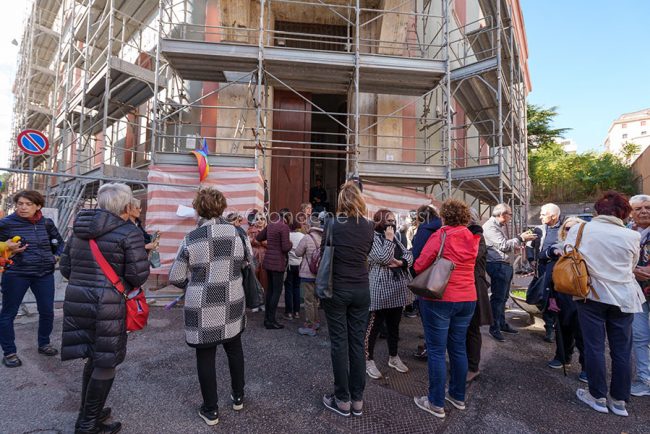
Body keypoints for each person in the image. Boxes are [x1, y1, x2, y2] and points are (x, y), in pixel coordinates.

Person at [60, 183, 150, 433]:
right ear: (124, 205)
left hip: (78, 299)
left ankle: (90, 411)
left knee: (93, 355)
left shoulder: (78, 229)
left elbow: (66, 268)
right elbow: (138, 275)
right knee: (106, 360)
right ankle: (88, 423)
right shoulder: (128, 232)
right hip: (108, 303)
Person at [169, 187, 248, 426]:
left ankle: (211, 409)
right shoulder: (238, 233)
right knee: (234, 348)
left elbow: (176, 276)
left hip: (202, 303)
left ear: (198, 209)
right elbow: (247, 261)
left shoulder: (192, 238)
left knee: (205, 355)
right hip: (232, 298)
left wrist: (193, 284)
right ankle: (238, 396)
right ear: (222, 207)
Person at [567, 191, 645, 416]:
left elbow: (567, 253)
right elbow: (632, 265)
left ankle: (597, 396)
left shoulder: (581, 229)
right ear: (624, 212)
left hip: (592, 294)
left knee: (594, 346)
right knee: (622, 349)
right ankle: (619, 400)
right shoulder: (632, 235)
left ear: (597, 210)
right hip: (624, 297)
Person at [412, 199, 479, 419]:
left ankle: (435, 402)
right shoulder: (473, 237)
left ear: (444, 216)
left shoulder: (441, 235)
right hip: (468, 297)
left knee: (437, 351)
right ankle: (458, 396)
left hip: (441, 297)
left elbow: (419, 265)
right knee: (458, 347)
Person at [321, 181, 374, 417]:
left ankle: (342, 399)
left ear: (341, 201)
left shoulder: (332, 223)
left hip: (337, 288)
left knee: (339, 344)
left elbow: (324, 251)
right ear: (360, 201)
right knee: (357, 344)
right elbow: (368, 252)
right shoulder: (369, 225)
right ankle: (358, 400)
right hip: (361, 289)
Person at [0, 190, 64, 368]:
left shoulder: (46, 223)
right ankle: (9, 352)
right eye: (20, 203)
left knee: (47, 312)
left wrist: (55, 257)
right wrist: (7, 247)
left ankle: (44, 343)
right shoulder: (5, 223)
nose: (23, 207)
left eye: (28, 204)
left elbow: (60, 243)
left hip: (44, 274)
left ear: (38, 206)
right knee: (8, 314)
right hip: (16, 274)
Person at [364, 209, 413, 380]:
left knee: (394, 327)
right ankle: (368, 359)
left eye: (393, 221)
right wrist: (390, 240)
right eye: (388, 220)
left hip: (398, 290)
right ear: (379, 221)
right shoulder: (373, 238)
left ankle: (393, 357)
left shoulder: (396, 238)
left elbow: (409, 254)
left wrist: (401, 262)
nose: (391, 224)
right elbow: (383, 257)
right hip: (379, 290)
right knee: (373, 327)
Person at [483, 203, 537, 342]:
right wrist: (520, 238)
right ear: (502, 214)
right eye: (510, 214)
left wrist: (516, 244)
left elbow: (504, 246)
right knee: (498, 298)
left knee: (503, 297)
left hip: (503, 265)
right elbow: (503, 245)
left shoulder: (496, 226)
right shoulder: (490, 227)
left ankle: (501, 324)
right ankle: (494, 327)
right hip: (498, 266)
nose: (511, 217)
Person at [545, 217, 587, 382]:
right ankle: (562, 357)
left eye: (574, 228)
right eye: (567, 228)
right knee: (562, 328)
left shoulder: (588, 248)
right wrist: (553, 252)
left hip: (581, 295)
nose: (570, 231)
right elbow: (543, 255)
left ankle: (587, 368)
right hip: (560, 294)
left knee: (582, 333)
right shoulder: (559, 245)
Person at [526, 203, 564, 343]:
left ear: (553, 216)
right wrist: (531, 259)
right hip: (542, 270)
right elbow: (529, 245)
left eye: (543, 214)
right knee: (545, 298)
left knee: (559, 299)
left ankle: (559, 328)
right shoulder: (539, 229)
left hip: (560, 272)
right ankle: (549, 328)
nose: (540, 216)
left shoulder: (565, 229)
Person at [410, 204, 442, 359]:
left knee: (428, 315)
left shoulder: (425, 230)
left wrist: (412, 270)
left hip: (426, 278)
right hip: (443, 278)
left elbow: (418, 255)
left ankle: (430, 348)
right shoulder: (442, 228)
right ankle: (434, 345)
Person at [465, 208, 493, 383]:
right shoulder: (471, 235)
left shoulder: (477, 236)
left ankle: (473, 367)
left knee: (472, 328)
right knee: (464, 329)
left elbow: (472, 256)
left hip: (474, 287)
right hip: (468, 286)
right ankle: (466, 365)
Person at [256, 208, 292, 329]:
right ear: (287, 217)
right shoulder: (284, 227)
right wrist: (291, 243)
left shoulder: (271, 225)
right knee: (276, 292)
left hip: (268, 263)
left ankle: (267, 320)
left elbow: (259, 237)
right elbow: (285, 248)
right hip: (278, 263)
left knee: (270, 291)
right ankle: (271, 321)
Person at [630, 194, 650, 397]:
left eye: (647, 207)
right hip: (637, 292)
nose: (643, 211)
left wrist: (631, 268)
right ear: (631, 213)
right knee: (639, 335)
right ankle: (644, 379)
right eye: (638, 208)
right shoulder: (628, 232)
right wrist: (634, 269)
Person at [295, 216, 324, 336]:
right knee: (315, 300)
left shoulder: (307, 238)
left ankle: (310, 325)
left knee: (308, 300)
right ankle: (316, 322)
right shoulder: (323, 237)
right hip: (320, 273)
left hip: (308, 273)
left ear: (310, 225)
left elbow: (297, 253)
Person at [284, 222, 305, 320]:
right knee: (297, 288)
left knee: (288, 288)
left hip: (289, 265)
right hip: (299, 265)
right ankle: (296, 312)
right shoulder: (303, 236)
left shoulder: (288, 235)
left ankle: (288, 312)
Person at [247, 210, 268, 302]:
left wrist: (260, 241)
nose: (260, 221)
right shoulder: (250, 230)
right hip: (254, 256)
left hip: (265, 257)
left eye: (262, 219)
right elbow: (248, 241)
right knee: (254, 279)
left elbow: (270, 243)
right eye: (258, 219)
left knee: (264, 279)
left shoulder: (268, 230)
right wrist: (260, 241)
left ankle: (263, 301)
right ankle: (255, 301)